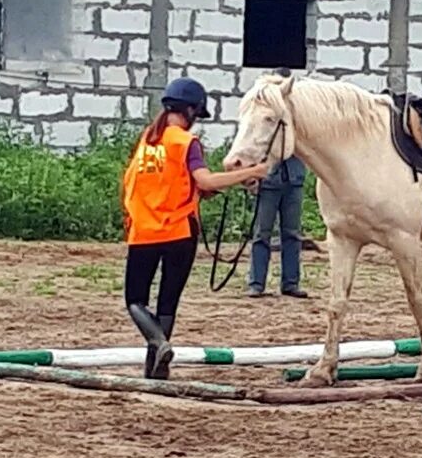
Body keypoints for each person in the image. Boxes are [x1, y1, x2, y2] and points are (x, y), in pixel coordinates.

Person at [122, 76, 268, 380]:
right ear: (189, 110)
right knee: (167, 302)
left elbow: (153, 181)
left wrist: (200, 190)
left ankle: (157, 361)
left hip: (144, 229)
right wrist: (252, 172)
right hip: (179, 231)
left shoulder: (148, 139)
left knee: (136, 299)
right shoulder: (187, 142)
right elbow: (204, 180)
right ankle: (159, 350)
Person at [246, 68, 309, 299]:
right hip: (270, 179)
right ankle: (256, 283)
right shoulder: (265, 114)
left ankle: (290, 283)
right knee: (262, 232)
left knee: (292, 233)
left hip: (293, 179)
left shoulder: (295, 116)